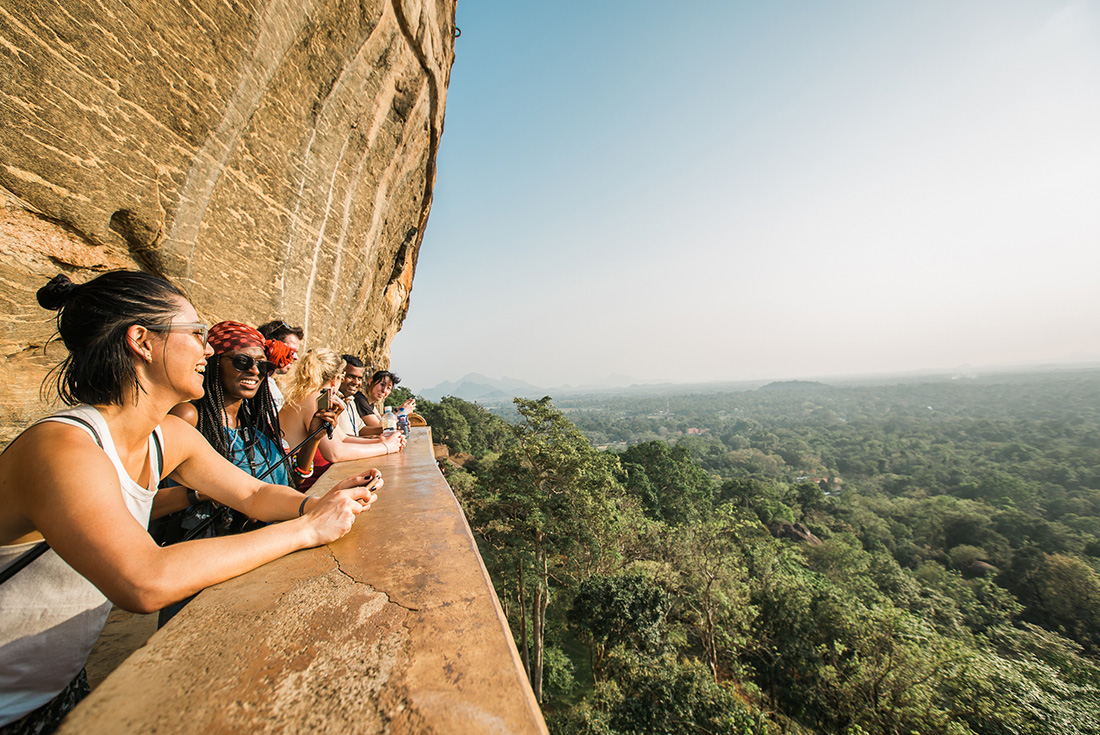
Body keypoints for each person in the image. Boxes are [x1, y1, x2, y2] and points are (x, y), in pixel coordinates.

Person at [0, 272, 380, 733]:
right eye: (196, 334)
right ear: (141, 340)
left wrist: (317, 503)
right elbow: (144, 581)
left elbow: (252, 492)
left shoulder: (167, 436)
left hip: (56, 688)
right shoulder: (62, 448)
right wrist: (306, 530)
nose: (206, 350)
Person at [279, 349, 404, 491]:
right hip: (294, 486)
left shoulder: (310, 395)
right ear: (336, 379)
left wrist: (383, 441)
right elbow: (335, 453)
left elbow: (342, 438)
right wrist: (386, 448)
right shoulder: (314, 400)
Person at [256, 320, 304, 410]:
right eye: (291, 351)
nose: (296, 357)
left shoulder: (271, 384)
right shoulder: (251, 385)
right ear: (272, 347)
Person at [354, 370, 416, 437]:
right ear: (371, 382)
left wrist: (398, 410)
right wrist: (403, 412)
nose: (384, 390)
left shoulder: (370, 403)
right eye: (382, 385)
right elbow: (379, 427)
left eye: (388, 388)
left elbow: (382, 421)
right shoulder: (360, 400)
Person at [334, 355, 367, 438]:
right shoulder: (332, 401)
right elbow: (340, 439)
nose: (356, 382)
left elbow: (361, 429)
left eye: (359, 379)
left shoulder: (351, 401)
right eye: (351, 377)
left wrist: (388, 429)